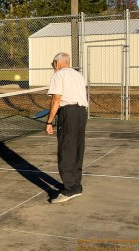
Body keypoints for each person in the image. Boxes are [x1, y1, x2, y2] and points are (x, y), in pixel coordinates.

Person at [46, 52, 88, 204]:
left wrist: (49, 122)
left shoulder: (59, 75)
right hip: (81, 113)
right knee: (77, 148)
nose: (53, 67)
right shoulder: (78, 75)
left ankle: (69, 189)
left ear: (57, 63)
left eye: (53, 64)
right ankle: (76, 185)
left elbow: (56, 100)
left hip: (68, 113)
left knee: (66, 148)